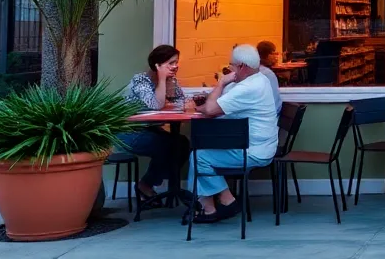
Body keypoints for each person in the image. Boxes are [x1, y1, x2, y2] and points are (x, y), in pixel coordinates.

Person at [191, 44, 279, 222]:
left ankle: (224, 202)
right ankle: (204, 204)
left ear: (242, 66)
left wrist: (221, 82)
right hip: (261, 146)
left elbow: (210, 109)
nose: (229, 69)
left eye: (231, 65)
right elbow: (216, 106)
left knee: (199, 157)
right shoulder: (260, 79)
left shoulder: (247, 88)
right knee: (201, 151)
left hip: (254, 152)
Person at [119, 44, 192, 202]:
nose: (176, 66)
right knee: (168, 146)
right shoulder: (140, 80)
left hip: (148, 129)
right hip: (128, 132)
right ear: (157, 65)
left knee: (182, 144)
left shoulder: (170, 81)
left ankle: (156, 186)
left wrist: (168, 83)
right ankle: (146, 185)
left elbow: (181, 102)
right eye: (171, 63)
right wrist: (162, 79)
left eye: (176, 62)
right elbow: (155, 105)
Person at [256, 40, 283, 113]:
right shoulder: (267, 74)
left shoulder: (256, 71)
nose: (276, 57)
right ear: (267, 55)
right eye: (274, 53)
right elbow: (275, 102)